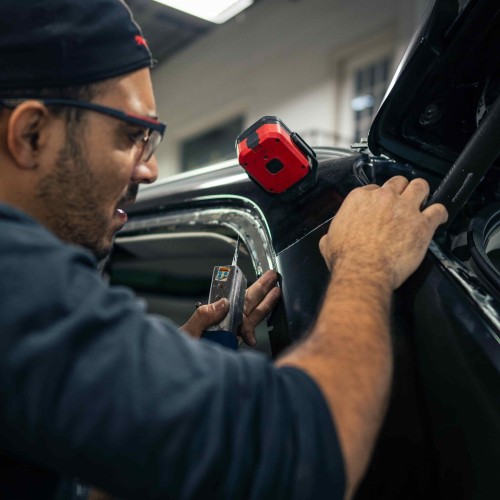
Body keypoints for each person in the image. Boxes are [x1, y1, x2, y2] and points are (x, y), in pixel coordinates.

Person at [0, 1, 448, 499]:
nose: (149, 169)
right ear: (30, 134)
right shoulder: (16, 284)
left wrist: (203, 349)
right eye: (132, 134)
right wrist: (367, 262)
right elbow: (301, 452)